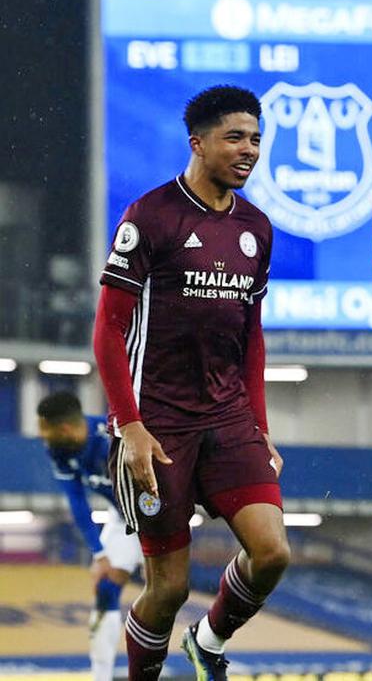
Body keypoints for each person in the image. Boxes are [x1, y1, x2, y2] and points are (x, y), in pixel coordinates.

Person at [93, 85, 289, 680]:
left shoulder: (257, 228)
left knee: (273, 553)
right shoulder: (151, 217)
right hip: (158, 428)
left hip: (229, 422)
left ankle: (208, 644)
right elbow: (107, 330)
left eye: (255, 139)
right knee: (168, 588)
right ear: (197, 143)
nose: (249, 150)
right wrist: (130, 427)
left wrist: (260, 427)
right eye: (235, 138)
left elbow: (250, 338)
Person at [36, 392, 143, 681]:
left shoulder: (112, 437)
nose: (43, 439)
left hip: (158, 516)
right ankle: (101, 677)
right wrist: (100, 553)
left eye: (46, 431)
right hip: (123, 520)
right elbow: (77, 501)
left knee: (165, 592)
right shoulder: (59, 451)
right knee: (105, 588)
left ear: (65, 429)